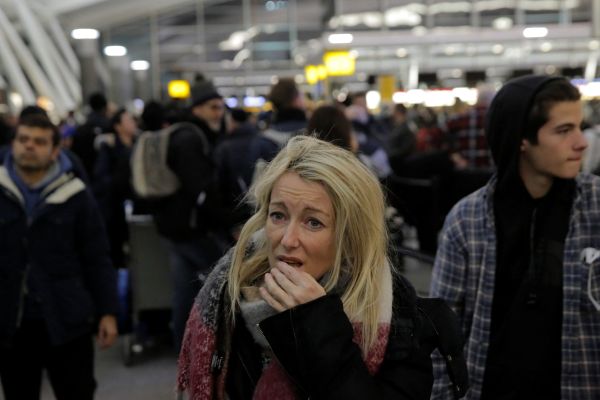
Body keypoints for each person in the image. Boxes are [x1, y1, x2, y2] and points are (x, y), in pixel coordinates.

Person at [177, 135, 468, 399]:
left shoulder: (398, 316)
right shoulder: (232, 292)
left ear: (351, 236)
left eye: (313, 222)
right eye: (278, 215)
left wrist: (318, 322)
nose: (288, 240)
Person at [430, 75, 600, 399]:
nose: (582, 142)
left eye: (580, 127)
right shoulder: (467, 222)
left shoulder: (595, 208)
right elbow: (442, 339)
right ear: (522, 138)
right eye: (564, 131)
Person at [0, 115, 118, 400]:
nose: (29, 147)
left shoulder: (75, 194)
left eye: (39, 142)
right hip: (11, 321)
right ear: (13, 144)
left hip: (67, 318)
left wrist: (108, 311)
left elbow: (96, 256)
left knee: (76, 391)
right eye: (23, 139)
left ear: (55, 150)